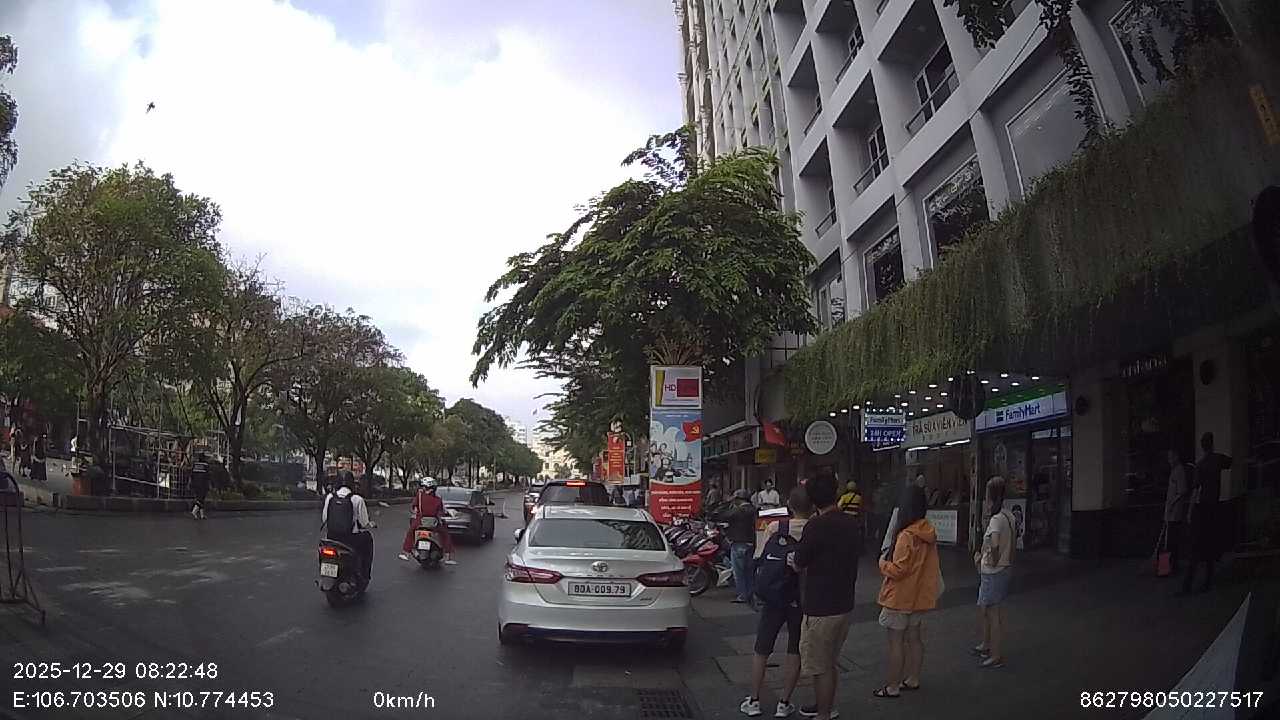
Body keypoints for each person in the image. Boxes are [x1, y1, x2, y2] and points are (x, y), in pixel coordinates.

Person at [792, 474, 862, 720]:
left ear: (812, 501)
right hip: (844, 602)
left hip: (820, 606)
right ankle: (825, 705)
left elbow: (799, 562)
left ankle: (823, 713)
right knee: (829, 661)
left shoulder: (816, 526)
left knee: (820, 666)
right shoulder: (851, 523)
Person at [740, 487, 812, 718]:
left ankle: (754, 701)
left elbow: (759, 558)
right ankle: (784, 703)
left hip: (773, 596)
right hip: (801, 597)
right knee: (795, 649)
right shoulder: (815, 530)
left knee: (762, 649)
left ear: (789, 505)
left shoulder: (775, 527)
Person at [874, 486, 939, 698]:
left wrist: (882, 564)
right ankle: (913, 678)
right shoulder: (928, 532)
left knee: (896, 643)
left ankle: (892, 686)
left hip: (899, 598)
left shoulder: (906, 536)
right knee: (915, 639)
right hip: (919, 597)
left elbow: (899, 570)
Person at [1180, 432, 1233, 595]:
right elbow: (1230, 462)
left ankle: (1187, 586)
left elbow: (1196, 490)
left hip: (1202, 507)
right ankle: (1207, 581)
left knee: (1196, 547)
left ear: (1202, 447)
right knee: (1209, 545)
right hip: (1214, 507)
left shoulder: (1201, 465)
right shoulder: (1217, 459)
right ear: (1212, 444)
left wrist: (1189, 512)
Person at [973, 478, 1014, 669]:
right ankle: (986, 644)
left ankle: (995, 654)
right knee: (987, 609)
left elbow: (995, 543)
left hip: (993, 571)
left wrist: (991, 559)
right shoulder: (1009, 515)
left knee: (992, 612)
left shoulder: (996, 519)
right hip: (1002, 569)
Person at [322, 470, 376, 581]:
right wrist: (369, 523)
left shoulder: (329, 497)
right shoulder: (357, 499)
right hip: (350, 539)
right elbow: (364, 523)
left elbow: (324, 518)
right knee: (368, 538)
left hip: (331, 538)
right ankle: (365, 574)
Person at [714, 489, 759, 605]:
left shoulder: (738, 511)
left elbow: (719, 514)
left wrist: (726, 502)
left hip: (739, 543)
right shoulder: (753, 510)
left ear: (738, 499)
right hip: (752, 543)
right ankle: (750, 594)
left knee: (739, 572)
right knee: (749, 572)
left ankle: (742, 596)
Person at [399, 477, 456, 565]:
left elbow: (414, 508)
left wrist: (416, 513)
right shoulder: (438, 498)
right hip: (433, 523)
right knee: (445, 535)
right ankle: (448, 556)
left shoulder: (419, 496)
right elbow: (441, 511)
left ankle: (406, 553)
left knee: (410, 533)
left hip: (420, 521)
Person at [1163, 448, 1192, 575]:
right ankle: (1168, 566)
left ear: (1176, 457)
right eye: (1168, 458)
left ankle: (1171, 566)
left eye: (1171, 457)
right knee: (1169, 541)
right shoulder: (1174, 471)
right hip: (1170, 512)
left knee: (1172, 541)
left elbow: (1182, 491)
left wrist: (1172, 504)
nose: (1169, 460)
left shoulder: (1179, 471)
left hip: (1174, 513)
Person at [189, 452, 210, 520]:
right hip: (202, 484)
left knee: (199, 498)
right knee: (201, 499)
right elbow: (208, 476)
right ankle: (194, 511)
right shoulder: (205, 465)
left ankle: (202, 515)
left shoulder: (195, 464)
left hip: (195, 484)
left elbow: (191, 474)